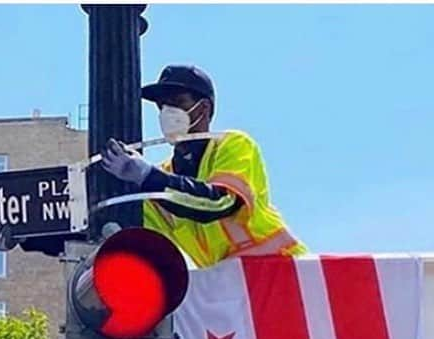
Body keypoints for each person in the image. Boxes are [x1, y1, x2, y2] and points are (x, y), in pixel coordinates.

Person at [101, 64, 307, 268]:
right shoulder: (158, 181)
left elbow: (220, 203)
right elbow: (148, 242)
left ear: (204, 108)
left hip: (282, 270)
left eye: (178, 102)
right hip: (232, 283)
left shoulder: (233, 144)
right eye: (162, 105)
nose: (167, 112)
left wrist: (147, 176)